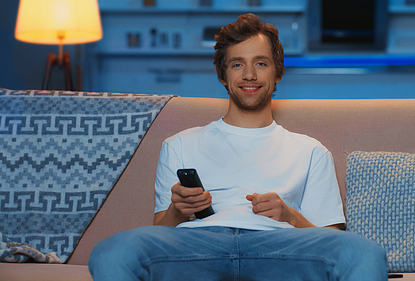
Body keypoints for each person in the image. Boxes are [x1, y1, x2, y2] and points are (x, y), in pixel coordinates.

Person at [88, 13, 387, 281]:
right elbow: (159, 232)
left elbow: (332, 243)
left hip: (279, 249)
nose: (249, 75)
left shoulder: (311, 151)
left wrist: (288, 215)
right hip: (198, 246)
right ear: (223, 76)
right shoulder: (179, 144)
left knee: (366, 253)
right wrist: (178, 211)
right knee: (111, 252)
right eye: (237, 64)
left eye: (261, 63)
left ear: (277, 72)